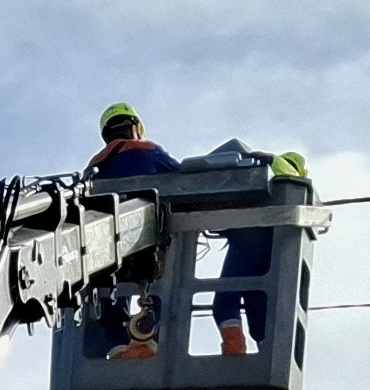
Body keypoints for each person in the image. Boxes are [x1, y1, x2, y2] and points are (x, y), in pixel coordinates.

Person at [84, 104, 252, 361]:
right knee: (162, 288)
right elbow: (178, 180)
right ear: (135, 128)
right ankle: (149, 341)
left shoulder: (95, 167)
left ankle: (117, 348)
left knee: (108, 294)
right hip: (146, 243)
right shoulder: (146, 150)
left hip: (104, 246)